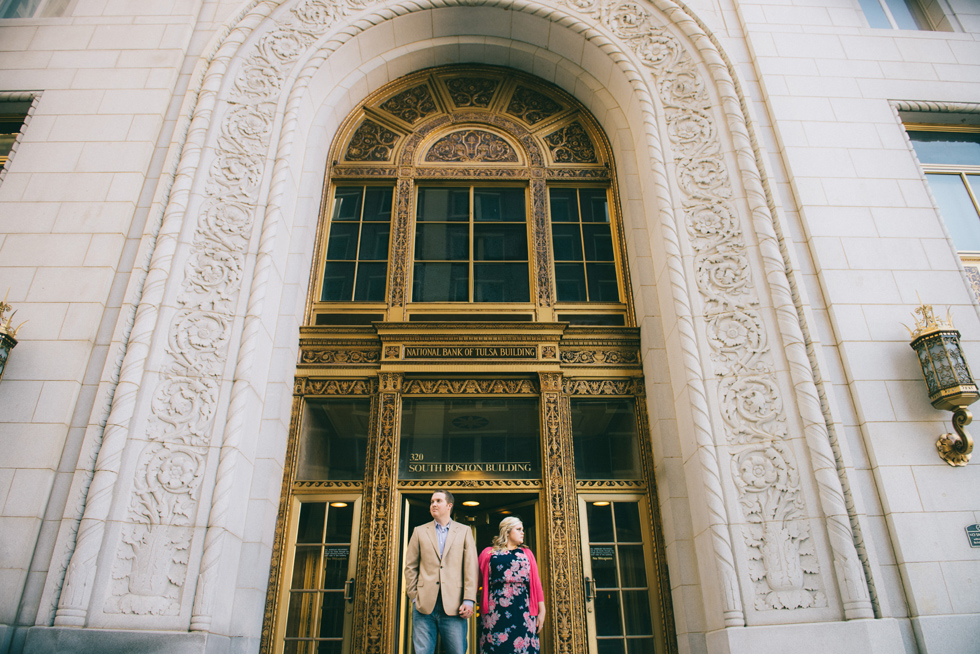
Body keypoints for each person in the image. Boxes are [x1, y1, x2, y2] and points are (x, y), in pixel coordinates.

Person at [404, 490, 479, 654]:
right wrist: (414, 596)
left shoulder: (464, 531)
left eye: (438, 501)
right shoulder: (419, 531)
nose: (434, 505)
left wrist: (469, 599)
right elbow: (410, 566)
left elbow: (471, 567)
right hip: (423, 606)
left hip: (454, 605)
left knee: (457, 651)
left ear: (449, 506)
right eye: (432, 502)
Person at [478, 516, 545, 654]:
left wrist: (541, 610)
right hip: (495, 611)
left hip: (523, 609)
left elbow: (536, 584)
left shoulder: (527, 554)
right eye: (518, 529)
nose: (523, 532)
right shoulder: (488, 553)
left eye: (523, 529)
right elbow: (475, 581)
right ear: (507, 531)